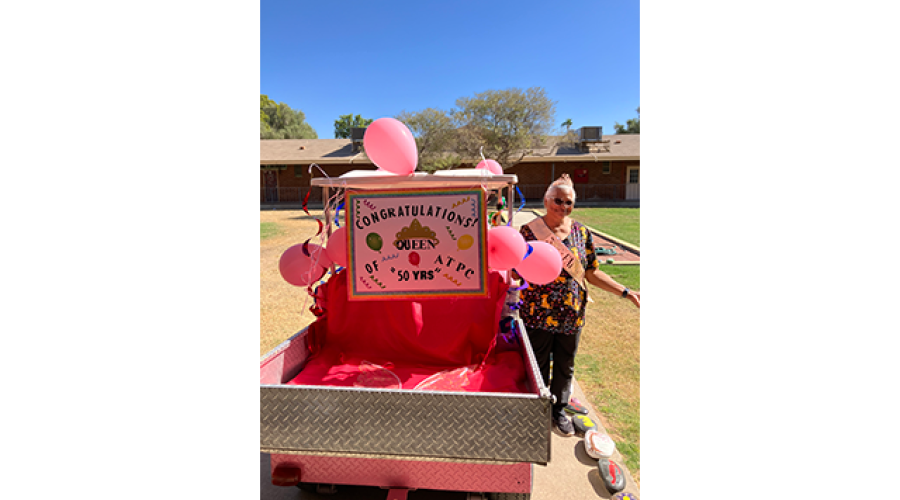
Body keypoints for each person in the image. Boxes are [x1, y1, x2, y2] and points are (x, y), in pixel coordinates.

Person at [517, 174, 640, 437]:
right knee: (536, 364)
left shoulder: (581, 232)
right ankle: (535, 412)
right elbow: (516, 271)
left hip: (571, 314)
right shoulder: (529, 231)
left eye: (569, 202)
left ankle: (559, 410)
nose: (563, 206)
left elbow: (592, 273)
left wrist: (626, 292)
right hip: (537, 313)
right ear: (546, 200)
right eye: (558, 200)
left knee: (565, 365)